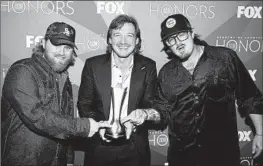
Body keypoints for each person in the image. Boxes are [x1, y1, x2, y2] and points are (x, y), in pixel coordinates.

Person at [122, 14, 263, 166]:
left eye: (181, 35)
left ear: (191, 33)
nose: (178, 43)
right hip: (182, 158)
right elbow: (162, 111)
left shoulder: (225, 58)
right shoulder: (166, 73)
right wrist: (144, 114)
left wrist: (260, 133)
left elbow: (249, 96)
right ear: (167, 45)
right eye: (171, 39)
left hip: (223, 155)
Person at [1, 22, 110, 166]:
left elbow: (65, 123)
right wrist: (84, 126)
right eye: (56, 45)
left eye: (67, 47)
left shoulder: (64, 80)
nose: (62, 52)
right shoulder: (23, 71)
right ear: (43, 43)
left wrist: (69, 160)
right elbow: (37, 116)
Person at [77, 14, 158, 166]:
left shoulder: (148, 66)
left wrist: (142, 115)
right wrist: (99, 126)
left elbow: (151, 103)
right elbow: (84, 104)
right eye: (117, 35)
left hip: (135, 148)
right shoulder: (92, 65)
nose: (123, 41)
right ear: (109, 40)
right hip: (99, 147)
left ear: (137, 41)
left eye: (129, 35)